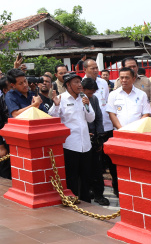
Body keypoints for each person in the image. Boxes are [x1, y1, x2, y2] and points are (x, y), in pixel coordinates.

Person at [49, 72, 95, 203]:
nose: (79, 85)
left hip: (85, 144)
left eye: (80, 82)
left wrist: (87, 105)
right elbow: (53, 118)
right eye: (76, 82)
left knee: (86, 175)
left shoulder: (84, 97)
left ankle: (86, 200)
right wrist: (56, 105)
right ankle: (72, 200)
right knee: (72, 176)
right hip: (70, 144)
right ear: (68, 85)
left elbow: (91, 118)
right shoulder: (61, 98)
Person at [81, 77, 108, 206]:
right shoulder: (77, 100)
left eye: (92, 92)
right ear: (83, 89)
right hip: (81, 138)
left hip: (94, 138)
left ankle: (99, 194)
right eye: (89, 92)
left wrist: (99, 136)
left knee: (97, 168)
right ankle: (87, 191)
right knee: (85, 168)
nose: (91, 95)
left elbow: (98, 117)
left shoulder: (94, 99)